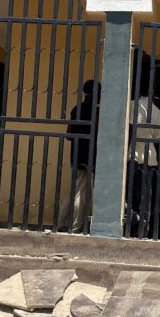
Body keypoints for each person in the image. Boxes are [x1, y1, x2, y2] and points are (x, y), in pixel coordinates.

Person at [58, 80, 99, 232]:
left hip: (77, 155)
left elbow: (69, 134)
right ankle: (75, 226)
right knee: (83, 194)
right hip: (92, 157)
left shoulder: (77, 109)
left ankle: (62, 222)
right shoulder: (98, 111)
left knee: (76, 190)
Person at [127, 82, 160, 237]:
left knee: (128, 193)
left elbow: (127, 128)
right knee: (145, 195)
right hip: (149, 156)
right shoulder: (157, 111)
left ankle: (131, 223)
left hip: (132, 154)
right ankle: (143, 228)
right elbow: (157, 136)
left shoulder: (132, 105)